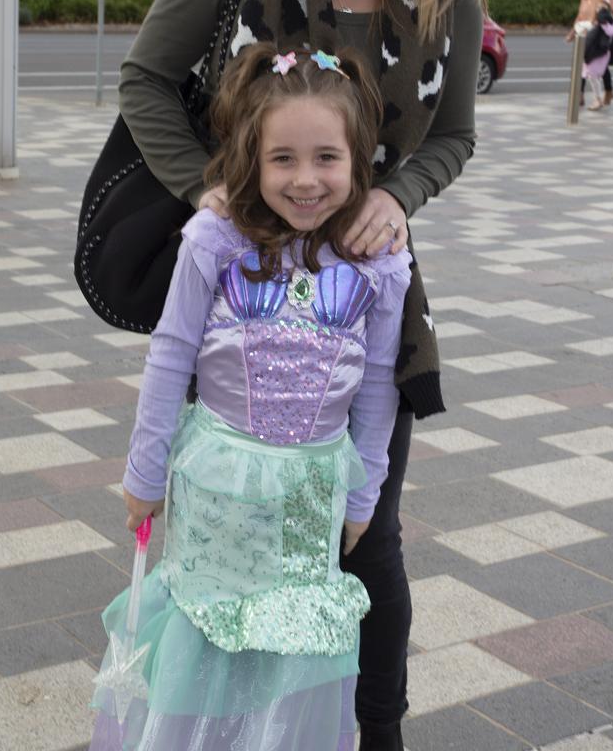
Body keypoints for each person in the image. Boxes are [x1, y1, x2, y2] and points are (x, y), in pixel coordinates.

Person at [117, 0, 484, 747]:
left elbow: (453, 134)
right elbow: (146, 78)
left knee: (367, 544)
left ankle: (367, 733)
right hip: (239, 319)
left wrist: (400, 193)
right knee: (224, 546)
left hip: (364, 317)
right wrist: (220, 194)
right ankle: (216, 724)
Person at [90, 45, 413, 751]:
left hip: (310, 498)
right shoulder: (214, 241)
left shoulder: (379, 263)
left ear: (359, 161)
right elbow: (171, 356)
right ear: (251, 158)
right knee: (211, 636)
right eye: (283, 160)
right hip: (218, 493)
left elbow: (381, 387)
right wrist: (144, 475)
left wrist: (364, 498)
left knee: (290, 643)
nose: (305, 180)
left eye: (326, 158)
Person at [566, 0, 613, 106]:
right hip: (585, 35)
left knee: (597, 65)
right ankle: (581, 95)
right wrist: (572, 33)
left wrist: (602, 21)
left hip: (599, 36)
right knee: (584, 63)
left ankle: (606, 92)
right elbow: (580, 17)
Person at [582, 2, 613, 111]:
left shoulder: (610, 21)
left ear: (608, 9)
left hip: (601, 53)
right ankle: (602, 97)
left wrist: (604, 23)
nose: (599, 9)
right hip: (592, 52)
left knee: (593, 76)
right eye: (598, 7)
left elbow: (611, 32)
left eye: (603, 8)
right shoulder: (596, 21)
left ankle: (598, 99)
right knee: (591, 76)